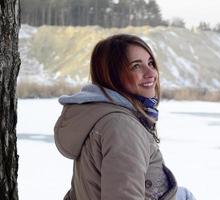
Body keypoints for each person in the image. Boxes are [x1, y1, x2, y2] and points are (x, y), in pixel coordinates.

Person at [54, 34, 196, 200]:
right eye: (136, 66)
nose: (151, 73)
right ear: (112, 75)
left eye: (150, 63)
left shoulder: (99, 114)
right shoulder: (122, 128)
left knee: (184, 195)